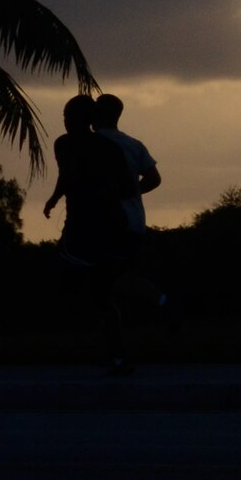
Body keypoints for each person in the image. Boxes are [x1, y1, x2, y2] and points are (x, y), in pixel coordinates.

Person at [43, 94, 139, 373]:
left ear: (80, 119)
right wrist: (56, 198)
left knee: (82, 289)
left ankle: (108, 352)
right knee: (99, 294)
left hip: (90, 228)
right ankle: (114, 354)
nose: (64, 120)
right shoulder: (101, 148)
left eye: (67, 115)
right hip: (101, 226)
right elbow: (126, 188)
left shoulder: (70, 145)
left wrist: (77, 196)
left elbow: (70, 176)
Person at [90, 92, 174, 328]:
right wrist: (132, 192)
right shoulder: (133, 144)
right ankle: (156, 307)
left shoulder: (92, 144)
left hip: (108, 223)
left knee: (105, 279)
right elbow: (154, 179)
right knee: (123, 277)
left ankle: (161, 303)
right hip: (134, 221)